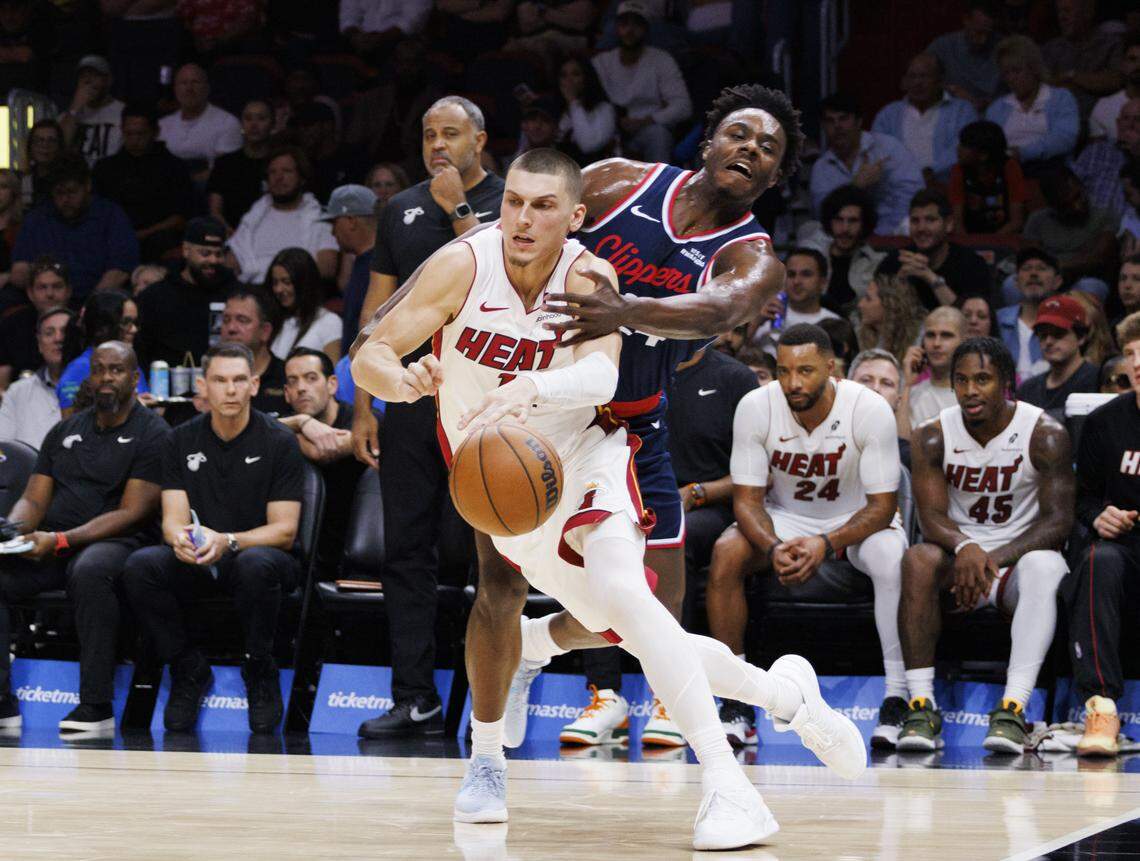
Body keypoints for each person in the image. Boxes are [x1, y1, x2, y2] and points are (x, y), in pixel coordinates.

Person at [351, 149, 865, 847]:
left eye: (542, 206)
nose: (523, 219)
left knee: (626, 595)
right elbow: (371, 353)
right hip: (504, 481)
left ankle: (726, 783)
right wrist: (403, 380)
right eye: (513, 203)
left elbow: (600, 375)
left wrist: (532, 388)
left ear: (576, 217)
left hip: (585, 455)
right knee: (634, 626)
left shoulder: (589, 273)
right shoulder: (464, 266)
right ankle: (786, 697)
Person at [349, 96, 504, 739]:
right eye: (428, 133)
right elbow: (373, 315)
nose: (437, 143)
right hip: (411, 401)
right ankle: (415, 697)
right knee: (405, 553)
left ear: (481, 139)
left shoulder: (512, 203)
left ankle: (484, 705)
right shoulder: (398, 208)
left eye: (451, 133)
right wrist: (365, 406)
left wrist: (458, 210)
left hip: (486, 405)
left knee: (487, 558)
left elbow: (506, 282)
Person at [700, 325, 908, 749]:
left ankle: (898, 695)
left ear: (831, 369)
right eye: (784, 371)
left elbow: (884, 507)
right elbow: (747, 500)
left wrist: (827, 542)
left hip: (856, 520)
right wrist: (773, 547)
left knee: (891, 556)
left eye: (806, 371)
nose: (794, 383)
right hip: (785, 519)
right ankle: (736, 702)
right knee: (726, 551)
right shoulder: (757, 406)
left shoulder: (867, 409)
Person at [897, 337, 1073, 754]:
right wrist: (965, 548)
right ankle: (920, 706)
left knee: (1047, 566)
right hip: (958, 560)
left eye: (983, 379)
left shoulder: (1044, 434)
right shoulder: (932, 435)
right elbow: (931, 517)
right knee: (917, 558)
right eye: (961, 380)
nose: (971, 391)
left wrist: (987, 559)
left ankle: (1012, 709)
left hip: (1015, 564)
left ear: (1007, 382)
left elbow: (1058, 523)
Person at [123, 342, 305, 735]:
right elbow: (171, 519)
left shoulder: (278, 441)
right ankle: (187, 668)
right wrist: (180, 540)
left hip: (260, 557)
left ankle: (259, 668)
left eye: (240, 380)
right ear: (203, 386)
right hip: (203, 554)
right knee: (141, 566)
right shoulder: (179, 440)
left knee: (256, 565)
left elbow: (285, 531)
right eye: (220, 381)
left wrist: (228, 541)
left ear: (255, 385)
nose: (231, 390)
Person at [0, 341, 169, 736]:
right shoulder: (64, 430)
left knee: (89, 569)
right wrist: (12, 532)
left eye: (116, 370)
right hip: (55, 543)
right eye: (98, 370)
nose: (105, 379)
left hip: (123, 543)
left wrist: (59, 539)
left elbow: (132, 512)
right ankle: (2, 702)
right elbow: (33, 499)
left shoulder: (153, 434)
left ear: (134, 377)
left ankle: (97, 705)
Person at [1062, 312, 1140, 756]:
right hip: (1126, 558)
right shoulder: (1105, 422)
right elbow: (1084, 498)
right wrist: (1099, 516)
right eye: (1130, 352)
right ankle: (1101, 706)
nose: (1138, 361)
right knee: (1097, 558)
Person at [666, 344, 759, 631]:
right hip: (642, 494)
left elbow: (753, 474)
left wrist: (696, 492)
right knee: (597, 534)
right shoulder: (637, 371)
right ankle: (602, 676)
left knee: (678, 535)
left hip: (714, 504)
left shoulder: (736, 378)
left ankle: (677, 663)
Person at [10, 155, 139, 299]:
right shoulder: (37, 219)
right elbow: (20, 269)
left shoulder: (110, 215)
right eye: (59, 193)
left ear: (87, 186)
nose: (65, 199)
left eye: (72, 192)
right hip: (45, 301)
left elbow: (119, 270)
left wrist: (90, 306)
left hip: (98, 299)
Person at [281, 347, 364, 570]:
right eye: (293, 381)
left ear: (332, 384)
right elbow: (256, 428)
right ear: (286, 392)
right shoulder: (289, 423)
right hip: (300, 550)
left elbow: (326, 450)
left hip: (355, 545)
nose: (301, 388)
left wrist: (295, 433)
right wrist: (300, 422)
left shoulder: (360, 419)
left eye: (311, 378)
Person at [591, 0, 692, 164]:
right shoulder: (601, 62)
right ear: (616, 28)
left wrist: (646, 120)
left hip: (647, 128)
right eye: (624, 24)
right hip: (608, 129)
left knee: (659, 134)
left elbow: (683, 106)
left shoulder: (661, 59)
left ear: (646, 29)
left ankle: (660, 187)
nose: (630, 30)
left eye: (636, 24)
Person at [810, 93, 924, 236]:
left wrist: (884, 233)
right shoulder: (821, 167)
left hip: (894, 230)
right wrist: (855, 188)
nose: (837, 126)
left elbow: (913, 194)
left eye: (843, 119)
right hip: (844, 237)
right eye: (830, 121)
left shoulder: (888, 148)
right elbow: (822, 215)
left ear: (859, 121)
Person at [93, 102, 194, 262]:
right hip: (113, 239)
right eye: (129, 134)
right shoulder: (105, 168)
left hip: (158, 242)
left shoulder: (174, 168)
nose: (134, 140)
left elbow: (181, 218)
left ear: (155, 132)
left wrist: (141, 234)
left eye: (141, 134)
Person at [135, 218, 238, 369]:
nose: (213, 260)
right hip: (164, 386)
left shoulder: (235, 294)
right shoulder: (155, 297)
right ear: (186, 250)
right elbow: (140, 351)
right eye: (205, 253)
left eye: (218, 254)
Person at [227, 146, 338, 284]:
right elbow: (231, 262)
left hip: (299, 293)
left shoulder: (319, 218)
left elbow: (327, 268)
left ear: (302, 178)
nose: (278, 177)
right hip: (253, 293)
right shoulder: (253, 217)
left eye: (287, 171)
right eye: (272, 172)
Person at [876, 189, 993, 309]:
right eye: (915, 221)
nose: (921, 228)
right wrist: (899, 281)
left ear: (949, 224)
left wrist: (930, 278)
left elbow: (970, 322)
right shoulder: (894, 262)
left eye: (930, 220)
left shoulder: (971, 264)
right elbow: (878, 317)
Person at [871, 53, 978, 183]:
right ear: (904, 81)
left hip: (948, 186)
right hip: (899, 188)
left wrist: (930, 172)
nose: (917, 83)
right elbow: (878, 152)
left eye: (924, 76)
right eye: (912, 76)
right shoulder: (889, 114)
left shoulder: (962, 110)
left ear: (940, 80)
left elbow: (963, 149)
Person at [984, 36, 1080, 173]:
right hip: (1007, 172)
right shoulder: (997, 108)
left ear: (1034, 68)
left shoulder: (1061, 98)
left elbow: (1065, 139)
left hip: (1051, 172)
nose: (1011, 79)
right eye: (1006, 73)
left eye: (1016, 71)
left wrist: (1022, 153)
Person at [1023, 167, 1118, 299]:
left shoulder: (1103, 217)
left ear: (1082, 187)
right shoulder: (1037, 220)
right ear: (1053, 207)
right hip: (1047, 280)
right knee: (1012, 284)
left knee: (1090, 287)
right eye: (1067, 205)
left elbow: (1096, 259)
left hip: (1084, 278)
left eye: (1078, 196)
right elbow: (1032, 258)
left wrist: (1055, 266)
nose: (1077, 206)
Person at [58, 291, 148, 413]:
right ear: (102, 327)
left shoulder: (132, 364)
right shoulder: (79, 369)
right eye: (126, 322)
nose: (134, 329)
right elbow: (71, 425)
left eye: (135, 322)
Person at [798, 184, 884, 312]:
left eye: (853, 221)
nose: (845, 229)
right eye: (839, 220)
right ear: (829, 222)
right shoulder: (813, 261)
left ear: (864, 224)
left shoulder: (877, 263)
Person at [1015, 294, 1101, 422]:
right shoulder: (1028, 390)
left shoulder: (1097, 380)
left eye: (1058, 333)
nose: (1049, 341)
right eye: (1043, 335)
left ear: (1081, 337)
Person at [1040, 0, 1124, 121]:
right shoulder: (1051, 48)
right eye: (1059, 11)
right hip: (1055, 119)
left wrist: (1070, 76)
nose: (1061, 17)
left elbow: (1115, 80)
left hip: (1098, 119)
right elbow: (1042, 85)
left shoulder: (1111, 45)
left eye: (1067, 11)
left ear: (1088, 13)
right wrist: (1088, 81)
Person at [157, 63, 242, 181]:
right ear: (175, 89)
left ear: (207, 88)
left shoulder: (227, 123)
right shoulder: (161, 126)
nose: (189, 88)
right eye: (183, 83)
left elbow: (225, 171)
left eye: (195, 82)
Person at [0, 306, 70, 447]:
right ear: (39, 344)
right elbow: (3, 450)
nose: (58, 338)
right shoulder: (17, 391)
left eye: (66, 332)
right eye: (49, 333)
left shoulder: (96, 388)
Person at [323, 185, 378, 356]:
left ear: (351, 221)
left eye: (334, 223)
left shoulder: (380, 266)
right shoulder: (361, 262)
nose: (332, 232)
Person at [749, 247, 838, 354]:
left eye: (806, 274)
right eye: (791, 274)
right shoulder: (764, 316)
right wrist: (755, 323)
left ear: (823, 282)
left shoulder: (833, 323)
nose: (796, 281)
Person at [0, 256, 72, 387]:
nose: (50, 294)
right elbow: (1, 382)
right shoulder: (11, 324)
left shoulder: (83, 324)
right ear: (30, 293)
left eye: (57, 286)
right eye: (42, 287)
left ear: (68, 291)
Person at [948, 120, 1027, 235]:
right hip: (969, 240)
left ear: (983, 155)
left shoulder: (1010, 168)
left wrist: (989, 244)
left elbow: (1017, 222)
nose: (958, 148)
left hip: (1005, 239)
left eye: (965, 145)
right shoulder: (958, 171)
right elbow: (957, 223)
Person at [207, 100, 275, 234]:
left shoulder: (281, 163)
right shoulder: (225, 164)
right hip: (231, 236)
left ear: (272, 124)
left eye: (261, 118)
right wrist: (233, 236)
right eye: (248, 118)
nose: (254, 125)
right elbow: (215, 211)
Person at [996, 247, 1065, 381]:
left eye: (1041, 268)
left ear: (1057, 281)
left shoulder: (1066, 324)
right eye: (1026, 268)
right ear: (1016, 282)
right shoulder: (997, 319)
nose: (1033, 273)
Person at [220, 288, 289, 417]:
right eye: (226, 320)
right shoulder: (212, 378)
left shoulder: (287, 378)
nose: (231, 328)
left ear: (265, 331)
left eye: (242, 320)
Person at [926, 1, 1003, 111]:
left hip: (992, 115)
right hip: (952, 113)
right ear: (966, 21)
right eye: (978, 33)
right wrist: (952, 90)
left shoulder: (1002, 48)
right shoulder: (945, 46)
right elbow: (922, 79)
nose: (983, 40)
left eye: (988, 34)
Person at [266, 248, 340, 361]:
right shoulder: (273, 321)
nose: (278, 289)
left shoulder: (329, 322)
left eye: (286, 282)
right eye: (275, 282)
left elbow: (334, 374)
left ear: (304, 283)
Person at [849, 347, 913, 465]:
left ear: (898, 401)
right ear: (847, 389)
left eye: (887, 383)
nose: (875, 388)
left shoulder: (910, 458)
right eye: (866, 380)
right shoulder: (823, 446)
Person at [906, 306, 965, 428]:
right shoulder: (911, 393)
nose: (936, 343)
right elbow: (901, 441)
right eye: (930, 335)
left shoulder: (973, 394)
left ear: (963, 341)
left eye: (946, 335)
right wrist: (907, 384)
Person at [60, 55, 124, 166]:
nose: (88, 80)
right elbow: (58, 147)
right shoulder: (69, 115)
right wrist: (75, 108)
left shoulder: (122, 112)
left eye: (94, 75)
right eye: (83, 76)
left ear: (108, 80)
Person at [556, 55, 617, 165]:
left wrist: (574, 103)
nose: (569, 80)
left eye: (575, 74)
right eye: (564, 75)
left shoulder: (604, 109)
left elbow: (588, 146)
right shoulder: (555, 110)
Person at [855, 271, 925, 364]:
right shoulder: (867, 336)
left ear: (889, 304)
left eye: (868, 299)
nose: (860, 304)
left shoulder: (920, 338)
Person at [1089, 33, 1140, 141]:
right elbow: (1097, 153)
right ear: (1123, 65)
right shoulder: (1104, 106)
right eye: (1132, 59)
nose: (1138, 65)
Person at [18, 119, 64, 210]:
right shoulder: (22, 180)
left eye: (51, 141)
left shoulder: (67, 179)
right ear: (30, 146)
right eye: (39, 140)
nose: (45, 145)